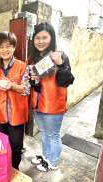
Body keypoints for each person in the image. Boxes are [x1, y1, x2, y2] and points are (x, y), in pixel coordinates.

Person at [28, 22, 75, 172]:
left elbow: (66, 81)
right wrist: (31, 77)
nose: (40, 41)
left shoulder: (60, 56)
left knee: (53, 135)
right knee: (44, 133)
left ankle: (53, 162)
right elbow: (30, 82)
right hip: (37, 102)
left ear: (51, 38)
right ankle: (46, 156)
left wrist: (61, 65)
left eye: (44, 37)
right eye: (37, 38)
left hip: (53, 103)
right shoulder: (32, 58)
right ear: (33, 40)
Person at [0, 31, 30, 169]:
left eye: (8, 46)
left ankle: (14, 169)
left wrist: (12, 86)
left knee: (16, 147)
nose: (5, 50)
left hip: (16, 114)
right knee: (1, 146)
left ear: (14, 47)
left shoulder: (22, 66)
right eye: (1, 47)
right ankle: (3, 170)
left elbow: (27, 89)